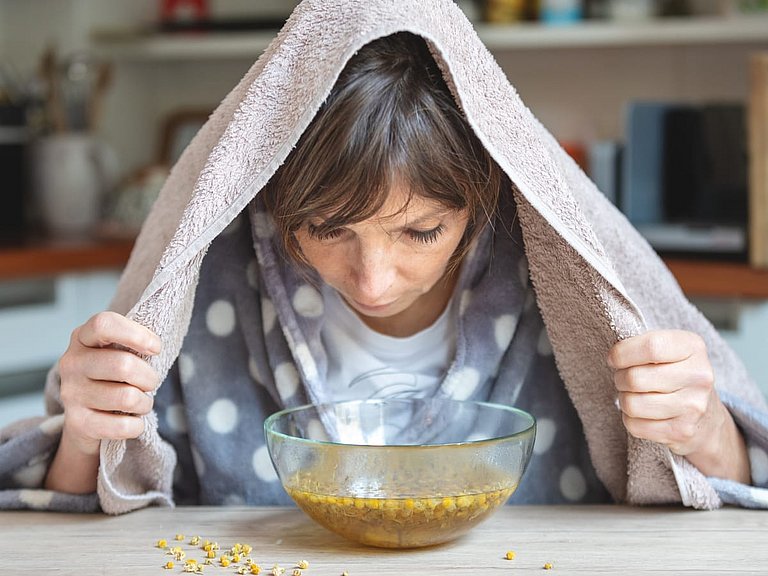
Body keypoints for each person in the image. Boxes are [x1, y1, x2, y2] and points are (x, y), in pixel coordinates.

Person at [2, 0, 767, 513]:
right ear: (272, 197)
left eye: (420, 233)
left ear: (488, 200)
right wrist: (88, 430)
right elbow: (85, 509)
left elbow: (736, 492)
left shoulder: (558, 283)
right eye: (329, 229)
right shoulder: (211, 283)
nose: (373, 280)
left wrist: (703, 432)